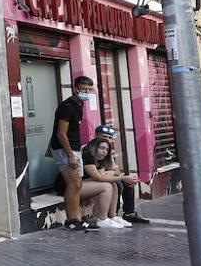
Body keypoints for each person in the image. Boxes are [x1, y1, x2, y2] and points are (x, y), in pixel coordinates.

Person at [48, 75, 102, 231]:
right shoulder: (67, 107)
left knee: (77, 185)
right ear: (75, 88)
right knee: (74, 184)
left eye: (90, 90)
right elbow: (61, 133)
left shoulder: (80, 105)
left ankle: (77, 218)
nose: (87, 92)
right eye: (84, 89)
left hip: (75, 149)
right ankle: (71, 220)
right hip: (65, 149)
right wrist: (71, 155)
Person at [80, 127, 151, 226]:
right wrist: (116, 175)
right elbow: (99, 175)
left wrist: (118, 175)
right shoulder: (88, 150)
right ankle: (107, 216)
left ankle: (126, 214)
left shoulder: (105, 150)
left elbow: (116, 170)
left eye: (109, 137)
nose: (107, 140)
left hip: (96, 178)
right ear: (96, 136)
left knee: (126, 183)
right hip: (82, 182)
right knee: (115, 184)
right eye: (104, 136)